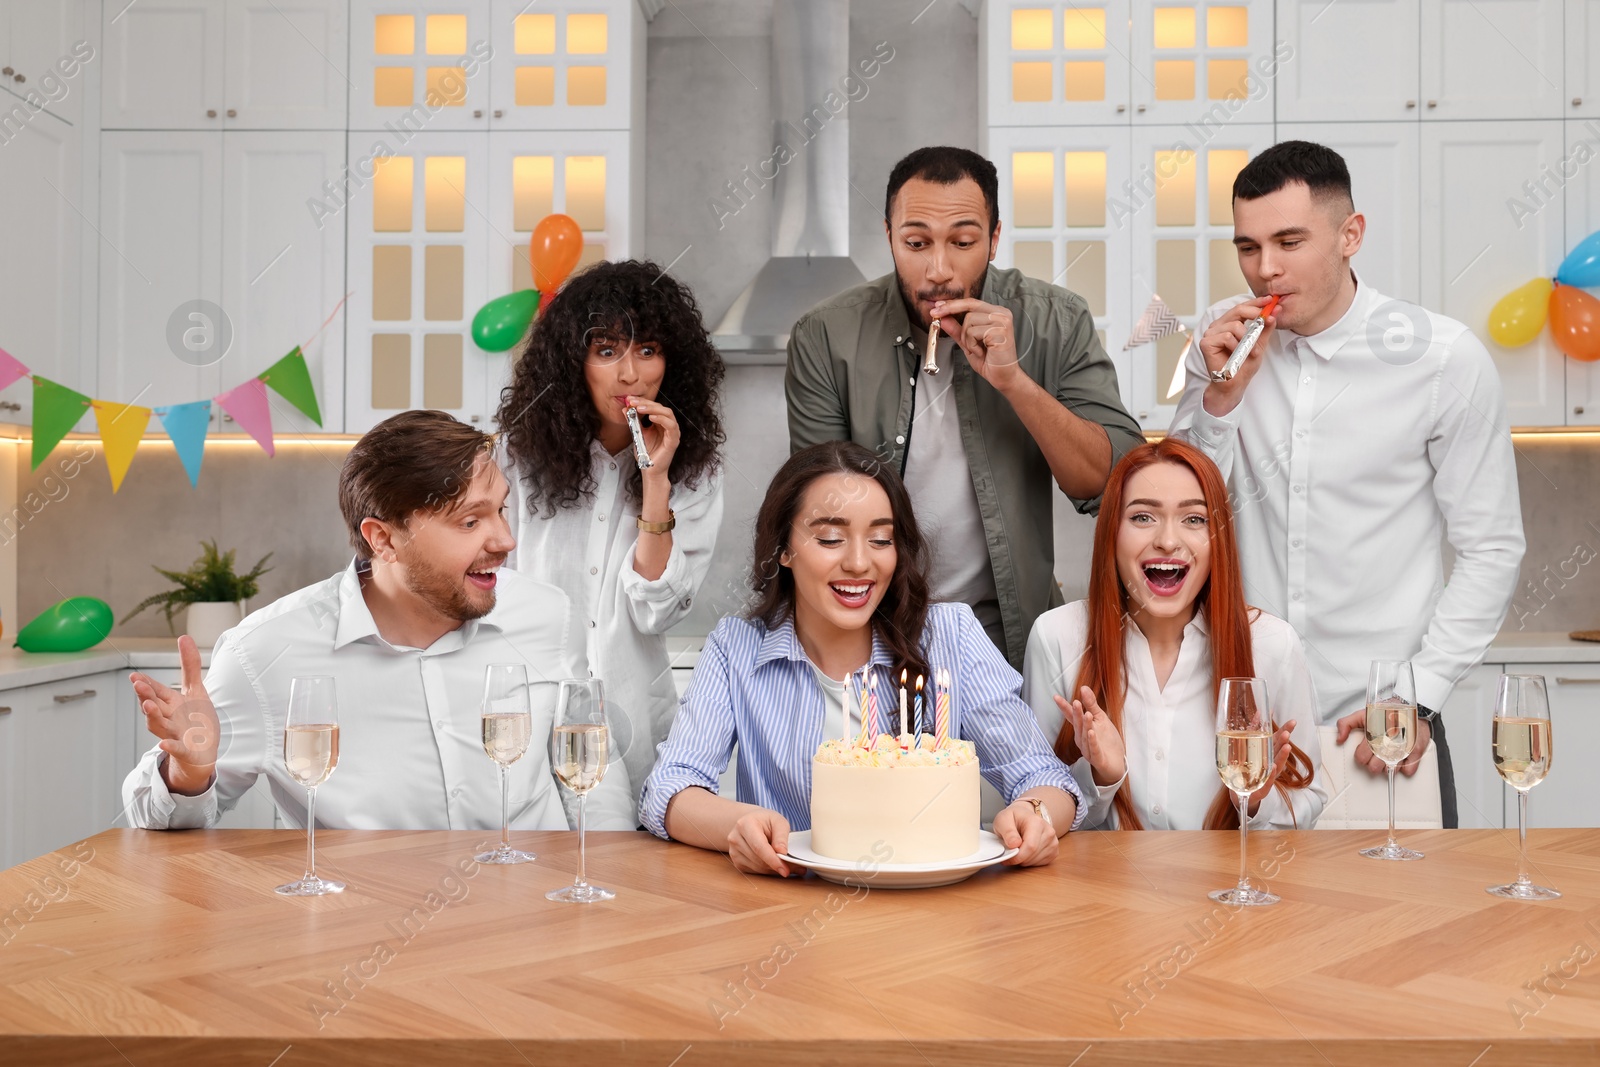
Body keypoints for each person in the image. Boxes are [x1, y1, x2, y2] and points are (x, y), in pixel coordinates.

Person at [1169, 140, 1525, 827]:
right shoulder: (1222, 339)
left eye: (1289, 241)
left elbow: (1493, 547)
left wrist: (1419, 694)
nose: (1264, 269)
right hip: (1245, 725)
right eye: (1247, 246)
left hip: (1379, 727)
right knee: (1238, 924)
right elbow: (1181, 513)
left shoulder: (1442, 359)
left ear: (1350, 234)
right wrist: (1218, 400)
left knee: (1398, 929)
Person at [122, 410, 633, 832]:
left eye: (501, 511)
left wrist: (610, 873)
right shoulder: (265, 654)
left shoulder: (547, 614)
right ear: (383, 538)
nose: (504, 541)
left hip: (532, 920)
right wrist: (189, 771)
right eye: (471, 521)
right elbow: (152, 816)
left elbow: (594, 764)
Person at [639, 440, 1082, 877]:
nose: (859, 562)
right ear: (784, 550)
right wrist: (738, 827)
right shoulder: (736, 648)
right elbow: (670, 788)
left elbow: (1046, 777)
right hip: (787, 906)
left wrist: (1035, 814)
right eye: (830, 538)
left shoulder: (951, 636)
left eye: (880, 539)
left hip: (937, 911)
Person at [786, 145, 1144, 670]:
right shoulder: (825, 335)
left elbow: (1112, 481)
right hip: (872, 633)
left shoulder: (1056, 320)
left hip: (1009, 640)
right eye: (915, 242)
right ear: (888, 236)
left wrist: (1014, 382)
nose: (938, 270)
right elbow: (820, 511)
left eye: (963, 242)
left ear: (995, 238)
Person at [496, 260, 725, 822]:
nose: (630, 375)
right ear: (574, 364)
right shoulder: (514, 460)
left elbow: (655, 612)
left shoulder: (693, 473)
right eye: (606, 351)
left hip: (632, 723)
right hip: (529, 715)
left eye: (647, 350)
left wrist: (655, 480)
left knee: (630, 890)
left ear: (672, 363)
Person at [1023, 438, 1327, 830]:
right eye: (1143, 517)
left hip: (1225, 889)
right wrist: (1101, 778)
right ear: (1111, 534)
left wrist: (1252, 803)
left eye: (1194, 519)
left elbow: (1311, 798)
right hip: (1099, 890)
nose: (1168, 540)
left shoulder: (1273, 644)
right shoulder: (1056, 637)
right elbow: (1034, 804)